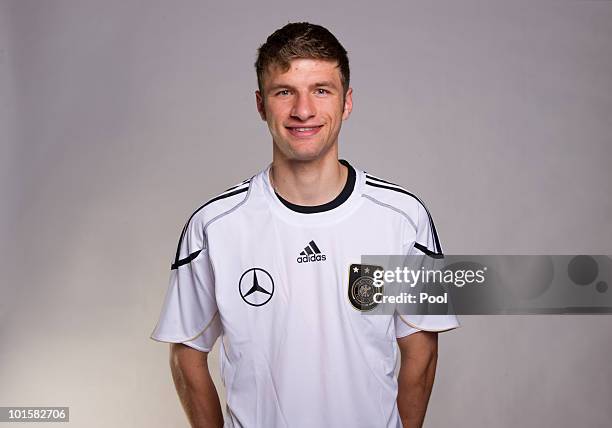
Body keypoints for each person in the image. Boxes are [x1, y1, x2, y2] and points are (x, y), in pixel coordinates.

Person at [151, 22, 459, 428]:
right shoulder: (213, 227)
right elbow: (186, 352)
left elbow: (422, 353)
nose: (303, 110)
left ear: (346, 102)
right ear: (261, 104)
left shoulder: (405, 218)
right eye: (285, 92)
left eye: (321, 90)